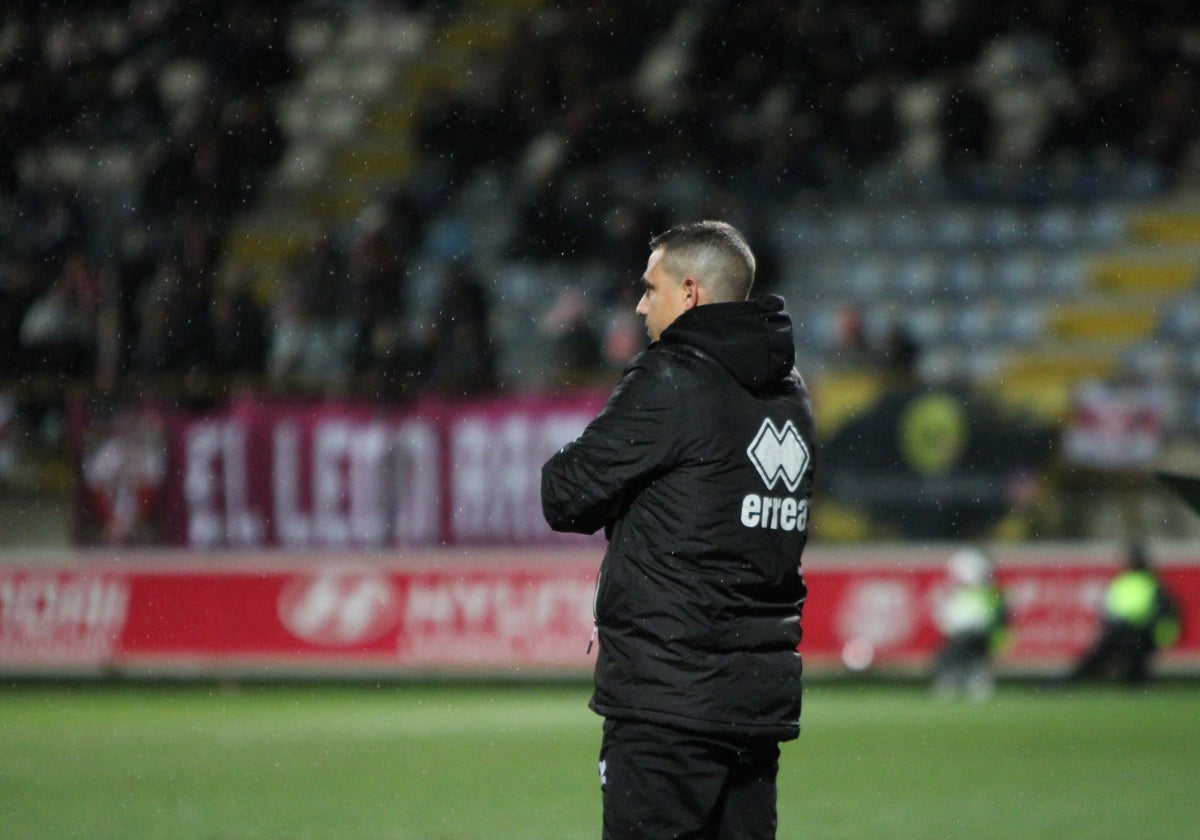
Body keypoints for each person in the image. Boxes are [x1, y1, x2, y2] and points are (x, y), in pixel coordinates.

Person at [541, 221, 816, 839]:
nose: (640, 305)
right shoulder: (790, 392)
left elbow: (563, 494)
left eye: (650, 288)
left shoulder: (672, 377)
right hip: (755, 700)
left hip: (668, 702)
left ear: (689, 292)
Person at [1070, 542, 1181, 685]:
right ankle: (1079, 679)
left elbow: (1164, 616)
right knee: (1104, 655)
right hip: (1124, 633)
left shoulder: (1146, 584)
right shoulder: (1139, 582)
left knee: (1126, 657)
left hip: (1140, 634)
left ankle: (1077, 680)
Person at [930, 546, 1009, 701]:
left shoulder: (976, 592)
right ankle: (964, 686)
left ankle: (956, 686)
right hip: (970, 629)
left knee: (965, 658)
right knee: (969, 658)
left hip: (968, 630)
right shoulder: (973, 591)